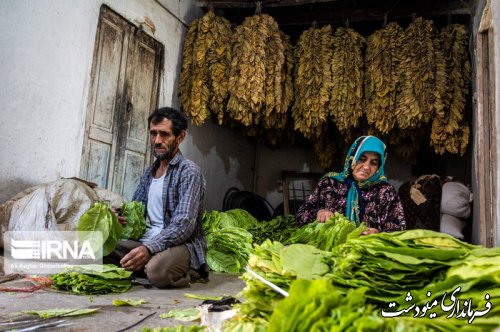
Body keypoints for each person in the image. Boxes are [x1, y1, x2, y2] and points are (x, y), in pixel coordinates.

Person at [106, 107, 207, 288]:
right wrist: (119, 216)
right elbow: (137, 208)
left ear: (180, 137)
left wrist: (149, 248)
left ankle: (187, 270)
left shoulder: (189, 171)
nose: (157, 141)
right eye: (153, 134)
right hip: (147, 241)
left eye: (164, 134)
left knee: (158, 272)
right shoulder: (149, 172)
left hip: (180, 244)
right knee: (101, 247)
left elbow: (183, 225)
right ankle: (147, 263)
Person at [296, 135, 406, 234]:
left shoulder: (385, 192)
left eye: (374, 163)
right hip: (328, 252)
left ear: (379, 168)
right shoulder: (330, 183)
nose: (366, 167)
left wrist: (378, 234)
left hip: (367, 252)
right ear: (352, 158)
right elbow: (301, 215)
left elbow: (399, 231)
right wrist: (319, 213)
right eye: (361, 159)